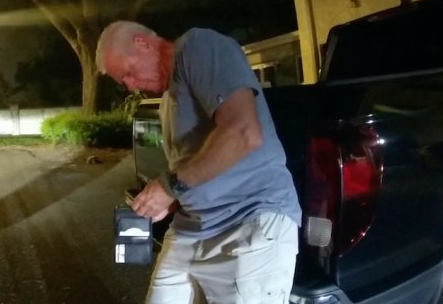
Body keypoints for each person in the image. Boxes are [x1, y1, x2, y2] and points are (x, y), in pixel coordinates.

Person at [96, 21, 302, 304]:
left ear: (142, 43)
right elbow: (195, 169)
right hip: (190, 231)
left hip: (247, 223)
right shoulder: (168, 101)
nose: (131, 87)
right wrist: (171, 200)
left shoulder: (198, 46)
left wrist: (169, 186)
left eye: (128, 73)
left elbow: (243, 132)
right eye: (124, 82)